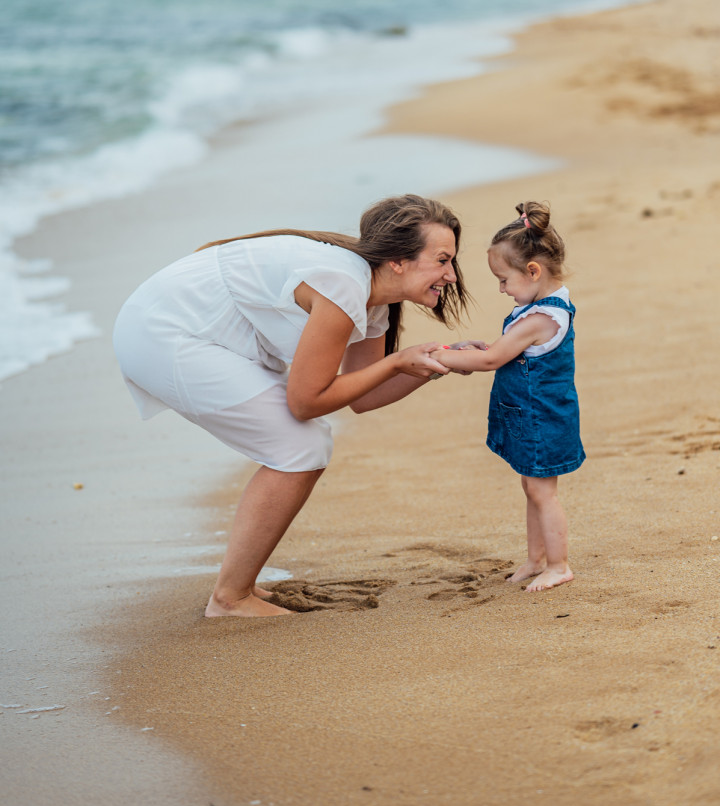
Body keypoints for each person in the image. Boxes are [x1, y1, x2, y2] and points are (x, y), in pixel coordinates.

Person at [113, 194, 468, 617]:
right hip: (165, 332)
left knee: (302, 444)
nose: (450, 274)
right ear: (397, 260)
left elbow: (364, 395)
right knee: (299, 446)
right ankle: (230, 598)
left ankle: (238, 588)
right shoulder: (344, 285)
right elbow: (306, 402)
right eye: (442, 260)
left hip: (188, 330)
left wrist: (435, 362)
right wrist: (397, 361)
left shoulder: (375, 298)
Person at [430, 201, 584, 592]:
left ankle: (559, 564)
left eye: (503, 279)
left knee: (542, 491)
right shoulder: (543, 304)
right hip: (531, 413)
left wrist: (441, 356)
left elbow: (495, 357)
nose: (501, 288)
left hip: (541, 417)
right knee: (530, 486)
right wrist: (474, 353)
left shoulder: (539, 318)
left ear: (533, 272)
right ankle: (536, 558)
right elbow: (501, 350)